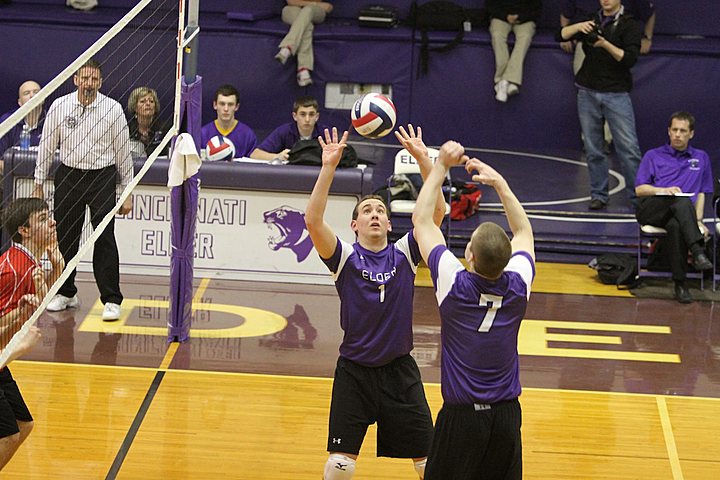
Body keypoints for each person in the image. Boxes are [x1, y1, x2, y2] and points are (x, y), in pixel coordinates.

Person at [306, 126, 446, 479]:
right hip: (354, 372)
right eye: (366, 210)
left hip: (400, 372)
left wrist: (423, 160)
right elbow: (312, 221)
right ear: (354, 225)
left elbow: (437, 212)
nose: (374, 214)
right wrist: (328, 167)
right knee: (340, 465)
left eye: (380, 211)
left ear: (388, 222)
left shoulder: (404, 254)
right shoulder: (344, 258)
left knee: (430, 463)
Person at [410, 141, 535, 480]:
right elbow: (524, 232)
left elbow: (422, 221)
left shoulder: (455, 285)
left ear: (471, 256)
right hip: (506, 417)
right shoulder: (518, 286)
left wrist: (440, 165)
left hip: (462, 418)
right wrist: (501, 185)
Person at [33, 59, 133, 321]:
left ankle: (111, 299)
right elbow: (46, 146)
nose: (89, 84)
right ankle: (65, 292)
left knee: (105, 238)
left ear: (100, 82)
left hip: (102, 177)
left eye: (94, 79)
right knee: (66, 237)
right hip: (68, 175)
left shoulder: (113, 109)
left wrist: (127, 191)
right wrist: (38, 182)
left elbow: (124, 153)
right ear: (75, 79)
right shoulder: (60, 106)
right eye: (84, 78)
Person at [557, 0, 643, 210]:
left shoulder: (629, 24)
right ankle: (599, 194)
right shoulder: (592, 19)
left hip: (616, 92)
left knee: (629, 149)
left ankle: (638, 198)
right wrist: (578, 27)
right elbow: (559, 35)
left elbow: (629, 58)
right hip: (588, 90)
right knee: (594, 148)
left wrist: (605, 44)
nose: (606, 0)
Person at [0, 197, 64, 470]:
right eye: (42, 219)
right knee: (9, 435)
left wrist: (57, 268)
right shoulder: (13, 270)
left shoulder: (29, 263)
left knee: (23, 426)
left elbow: (34, 304)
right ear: (24, 230)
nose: (52, 222)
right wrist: (18, 320)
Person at [635, 111, 714, 304]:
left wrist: (698, 220)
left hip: (680, 214)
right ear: (669, 132)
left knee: (676, 225)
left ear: (691, 134)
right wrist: (663, 190)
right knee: (681, 200)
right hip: (652, 209)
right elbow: (639, 189)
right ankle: (697, 251)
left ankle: (680, 284)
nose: (678, 134)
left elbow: (702, 192)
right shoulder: (653, 155)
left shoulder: (701, 158)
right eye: (674, 130)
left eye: (683, 131)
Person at [560, 0, 656, 73]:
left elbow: (649, 13)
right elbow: (566, 13)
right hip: (587, 41)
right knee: (583, 82)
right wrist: (565, 36)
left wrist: (647, 37)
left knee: (616, 84)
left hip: (620, 42)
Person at [486, 0, 542, 103]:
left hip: (525, 20)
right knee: (497, 35)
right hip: (501, 18)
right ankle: (506, 81)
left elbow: (537, 8)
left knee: (525, 37)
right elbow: (490, 5)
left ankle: (505, 80)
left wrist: (520, 17)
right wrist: (505, 16)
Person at [274, 1, 333, 87]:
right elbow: (291, 1)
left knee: (308, 10)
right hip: (292, 9)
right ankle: (303, 70)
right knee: (307, 25)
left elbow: (327, 7)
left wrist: (315, 5)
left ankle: (288, 47)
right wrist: (315, 3)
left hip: (315, 11)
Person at [250, 96, 327, 162]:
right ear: (295, 116)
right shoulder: (284, 132)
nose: (307, 119)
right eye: (302, 114)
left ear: (317, 117)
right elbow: (255, 154)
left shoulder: (326, 133)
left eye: (311, 114)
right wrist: (277, 156)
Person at [200, 84, 257, 160]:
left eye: (230, 104)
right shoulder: (203, 134)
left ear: (236, 107)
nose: (226, 109)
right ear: (215, 105)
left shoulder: (248, 135)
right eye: (222, 104)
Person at [0, 80, 45, 163]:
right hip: (13, 174)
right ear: (19, 102)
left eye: (36, 92)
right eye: (26, 93)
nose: (32, 96)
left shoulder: (52, 119)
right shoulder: (7, 121)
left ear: (43, 98)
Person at [126, 86, 170, 158]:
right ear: (135, 107)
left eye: (151, 101)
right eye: (143, 101)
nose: (148, 104)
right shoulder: (128, 130)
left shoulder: (165, 128)